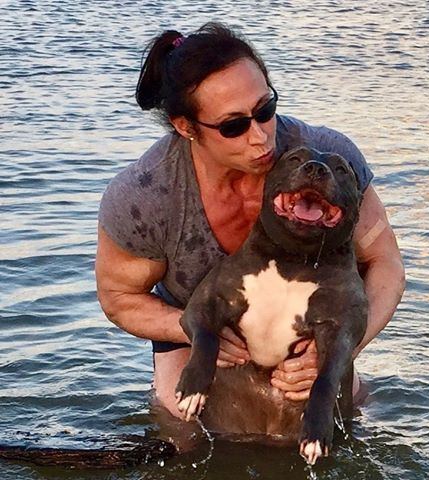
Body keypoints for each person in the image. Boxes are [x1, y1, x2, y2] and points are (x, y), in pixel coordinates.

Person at [95, 23, 405, 420]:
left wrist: (338, 353)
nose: (260, 137)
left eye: (265, 110)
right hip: (203, 329)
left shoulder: (327, 159)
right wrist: (192, 331)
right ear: (185, 126)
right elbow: (119, 300)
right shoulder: (147, 195)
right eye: (233, 126)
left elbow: (386, 263)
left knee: (352, 408)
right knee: (178, 417)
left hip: (309, 325)